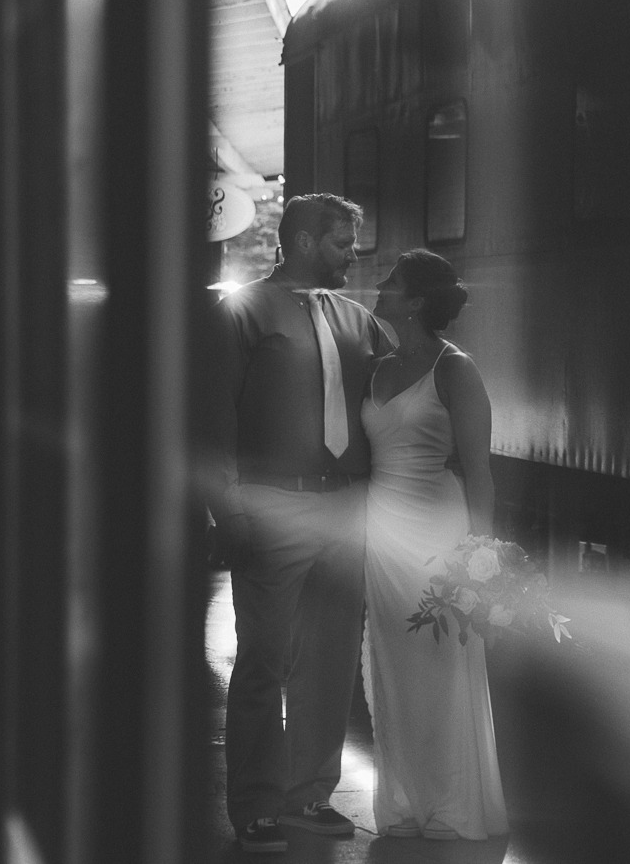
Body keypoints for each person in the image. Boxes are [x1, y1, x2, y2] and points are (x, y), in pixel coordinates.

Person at [204, 193, 390, 853]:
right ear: (307, 241)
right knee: (265, 660)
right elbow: (212, 419)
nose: (353, 255)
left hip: (346, 509)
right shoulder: (242, 313)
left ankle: (309, 793)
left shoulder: (361, 321)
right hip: (272, 506)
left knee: (332, 663)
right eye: (343, 242)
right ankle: (255, 803)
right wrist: (228, 507)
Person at [360, 249, 509, 840]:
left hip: (438, 534)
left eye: (391, 282)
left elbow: (479, 469)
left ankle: (451, 804)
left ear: (416, 300)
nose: (379, 286)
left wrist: (482, 555)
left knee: (444, 665)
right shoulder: (375, 364)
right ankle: (402, 801)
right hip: (382, 533)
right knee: (392, 666)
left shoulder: (455, 369)